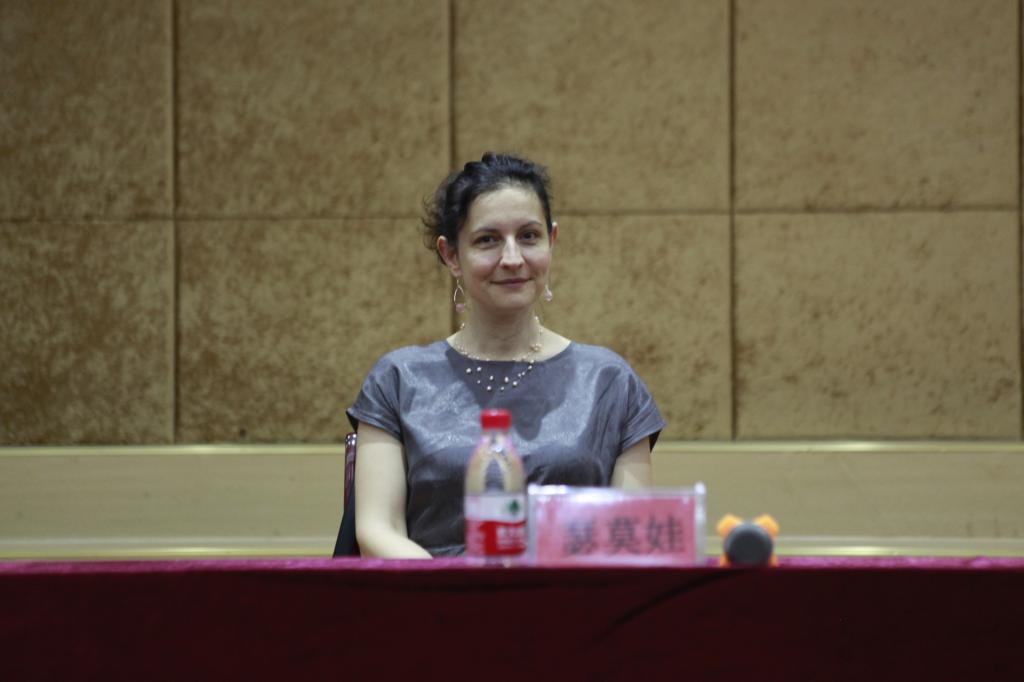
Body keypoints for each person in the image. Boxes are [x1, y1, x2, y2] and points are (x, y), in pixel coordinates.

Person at [347, 152, 665, 558]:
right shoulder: (397, 379)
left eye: (529, 236)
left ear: (552, 240)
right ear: (451, 255)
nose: (513, 259)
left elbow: (630, 536)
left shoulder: (610, 381)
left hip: (573, 595)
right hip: (433, 593)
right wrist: (455, 588)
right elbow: (378, 529)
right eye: (488, 240)